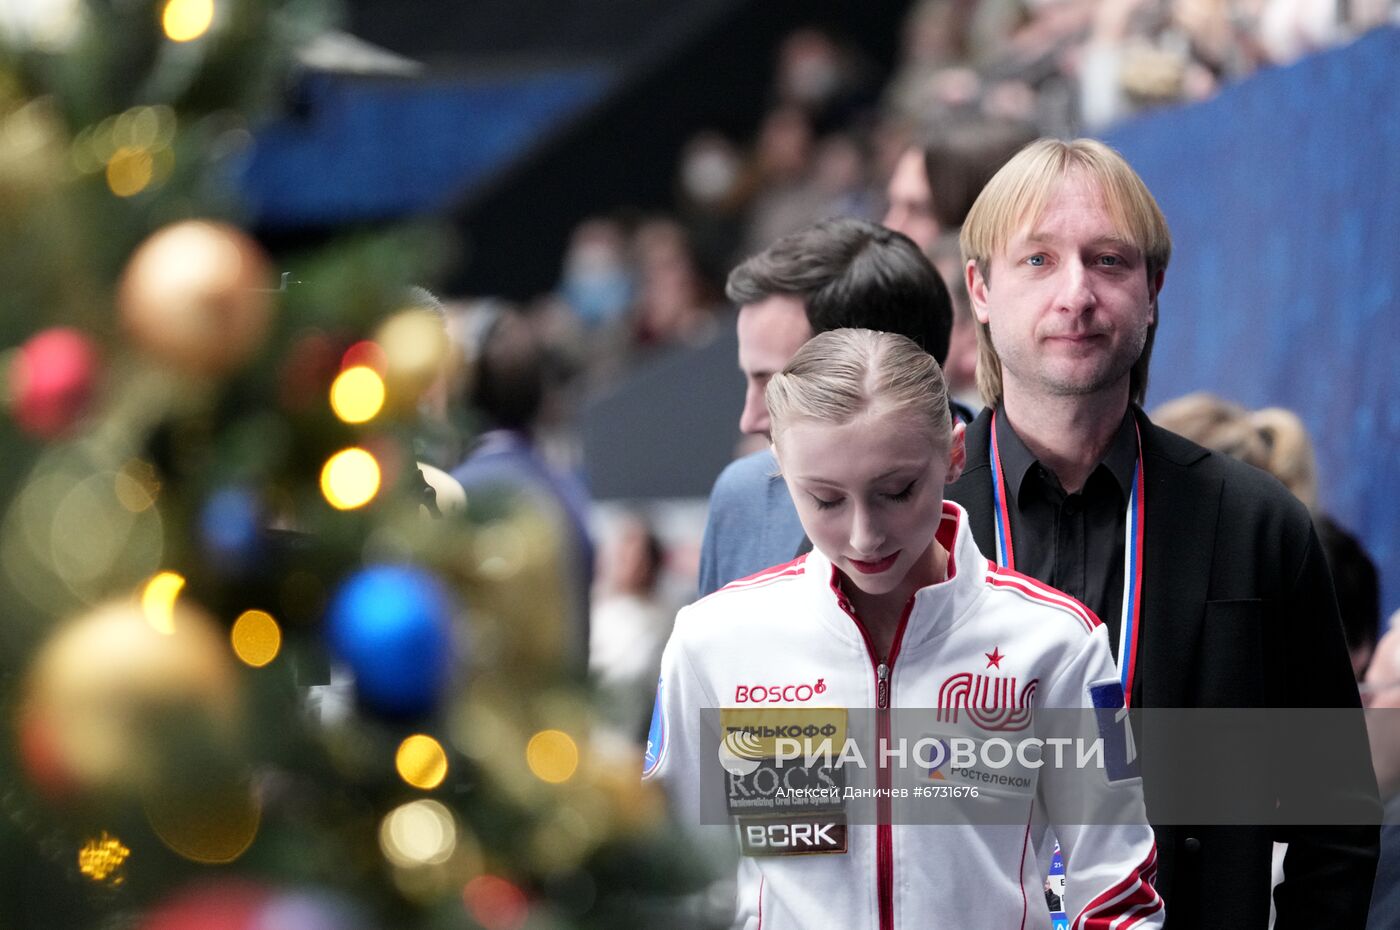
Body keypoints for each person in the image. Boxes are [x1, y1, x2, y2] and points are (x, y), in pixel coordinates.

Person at [944, 137, 1378, 927]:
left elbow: (1337, 817)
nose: (1076, 294)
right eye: (1037, 261)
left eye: (1108, 260)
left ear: (1154, 290)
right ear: (979, 287)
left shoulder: (1254, 524)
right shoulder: (907, 520)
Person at [646, 329, 1164, 928]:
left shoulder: (1058, 643)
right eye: (825, 500)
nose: (865, 536)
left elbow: (1117, 888)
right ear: (781, 471)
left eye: (897, 491)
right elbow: (664, 881)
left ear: (954, 454)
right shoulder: (716, 641)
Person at [697, 217, 961, 597]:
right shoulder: (745, 497)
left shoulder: (1011, 494)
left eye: (776, 387)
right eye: (825, 498)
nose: (749, 418)